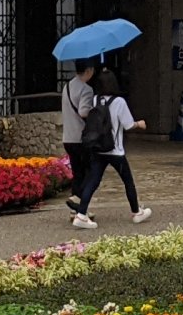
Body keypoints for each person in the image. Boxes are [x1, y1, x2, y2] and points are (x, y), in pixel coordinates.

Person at [85, 73, 152, 224]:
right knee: (128, 181)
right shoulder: (119, 102)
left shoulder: (95, 99)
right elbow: (128, 124)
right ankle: (136, 212)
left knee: (93, 181)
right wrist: (139, 124)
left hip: (99, 148)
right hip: (115, 150)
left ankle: (81, 214)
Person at [62, 57, 103, 230]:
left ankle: (76, 210)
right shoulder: (86, 89)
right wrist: (97, 112)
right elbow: (83, 112)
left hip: (68, 137)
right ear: (88, 71)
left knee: (78, 173)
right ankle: (79, 202)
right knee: (90, 172)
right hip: (81, 138)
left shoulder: (67, 86)